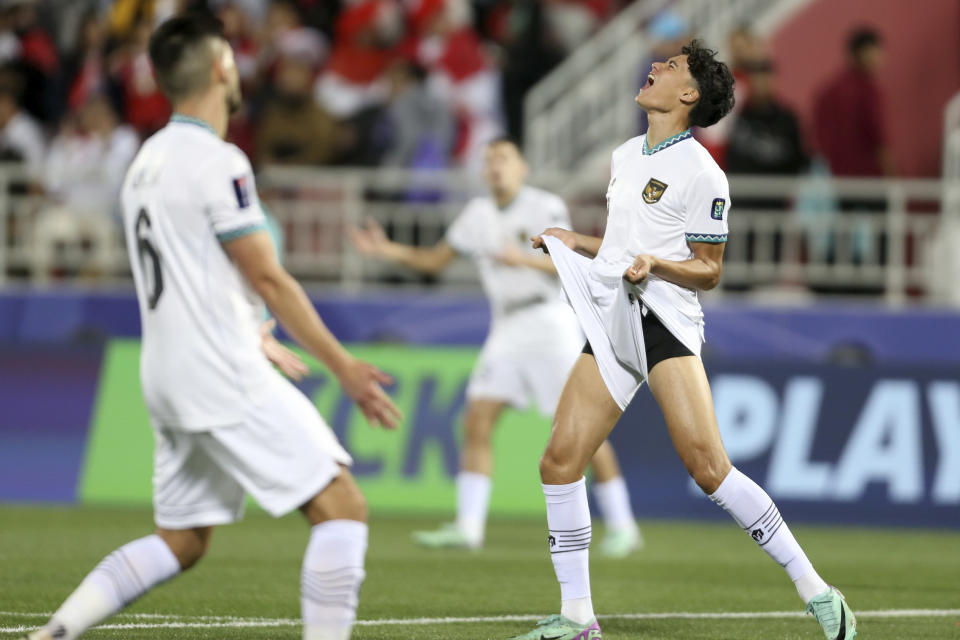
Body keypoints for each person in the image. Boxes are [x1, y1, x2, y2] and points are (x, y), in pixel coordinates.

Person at [20, 13, 401, 640]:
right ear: (224, 68)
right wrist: (345, 367)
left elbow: (191, 267)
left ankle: (54, 633)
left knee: (183, 539)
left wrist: (250, 327)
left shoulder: (144, 161)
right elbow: (268, 277)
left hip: (165, 373)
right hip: (216, 367)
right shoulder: (219, 161)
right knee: (341, 508)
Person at [510, 40, 857, 640]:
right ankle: (576, 618)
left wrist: (656, 267)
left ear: (689, 95)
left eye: (669, 67)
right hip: (615, 318)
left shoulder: (704, 173)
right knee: (559, 461)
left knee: (708, 467)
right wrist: (575, 240)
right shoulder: (625, 155)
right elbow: (623, 248)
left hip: (663, 320)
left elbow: (709, 269)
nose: (654, 68)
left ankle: (818, 591)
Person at [350, 138, 642, 557]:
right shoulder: (476, 214)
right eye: (488, 161)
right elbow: (437, 261)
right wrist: (386, 250)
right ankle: (468, 527)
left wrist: (522, 260)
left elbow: (573, 262)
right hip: (506, 326)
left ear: (522, 167)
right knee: (476, 420)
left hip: (549, 321)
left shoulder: (544, 206)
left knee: (581, 430)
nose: (495, 167)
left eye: (503, 158)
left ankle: (623, 525)